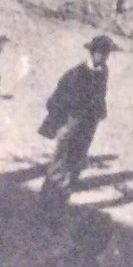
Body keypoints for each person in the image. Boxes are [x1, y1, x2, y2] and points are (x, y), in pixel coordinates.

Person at [38, 35, 117, 225]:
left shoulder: (103, 71)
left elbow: (101, 94)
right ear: (93, 53)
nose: (104, 57)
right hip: (72, 121)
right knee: (60, 161)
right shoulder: (76, 74)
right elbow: (57, 99)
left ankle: (61, 200)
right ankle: (48, 201)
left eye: (106, 54)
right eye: (101, 53)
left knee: (77, 160)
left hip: (89, 124)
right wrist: (65, 121)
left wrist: (99, 111)